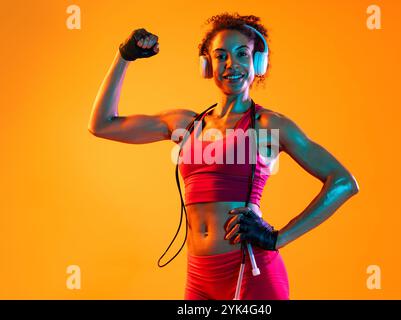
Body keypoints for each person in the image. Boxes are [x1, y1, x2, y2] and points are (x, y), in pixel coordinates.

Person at [88, 12, 359, 300]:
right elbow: (102, 124)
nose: (232, 64)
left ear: (258, 63)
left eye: (242, 54)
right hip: (199, 276)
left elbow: (343, 182)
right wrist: (124, 57)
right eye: (221, 56)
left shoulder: (268, 124)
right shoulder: (185, 124)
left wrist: (278, 238)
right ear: (207, 64)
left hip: (250, 272)